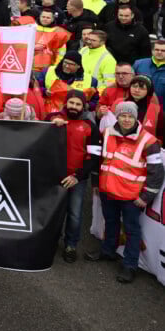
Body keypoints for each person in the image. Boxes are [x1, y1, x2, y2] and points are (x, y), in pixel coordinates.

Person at [88, 101, 165, 283]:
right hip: (108, 191)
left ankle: (130, 265)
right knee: (111, 222)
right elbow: (98, 160)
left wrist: (146, 197)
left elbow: (157, 172)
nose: (126, 119)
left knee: (132, 230)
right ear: (118, 116)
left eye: (130, 116)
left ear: (136, 118)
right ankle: (108, 252)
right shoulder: (106, 133)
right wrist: (96, 183)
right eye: (123, 115)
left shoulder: (149, 141)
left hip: (132, 197)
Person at [50, 92, 100, 263]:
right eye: (71, 102)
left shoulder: (90, 126)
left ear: (84, 106)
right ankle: (50, 241)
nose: (73, 106)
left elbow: (93, 157)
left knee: (74, 214)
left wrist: (78, 176)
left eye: (78, 104)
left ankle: (71, 245)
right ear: (66, 103)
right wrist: (50, 125)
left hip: (77, 178)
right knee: (53, 211)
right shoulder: (53, 118)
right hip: (54, 176)